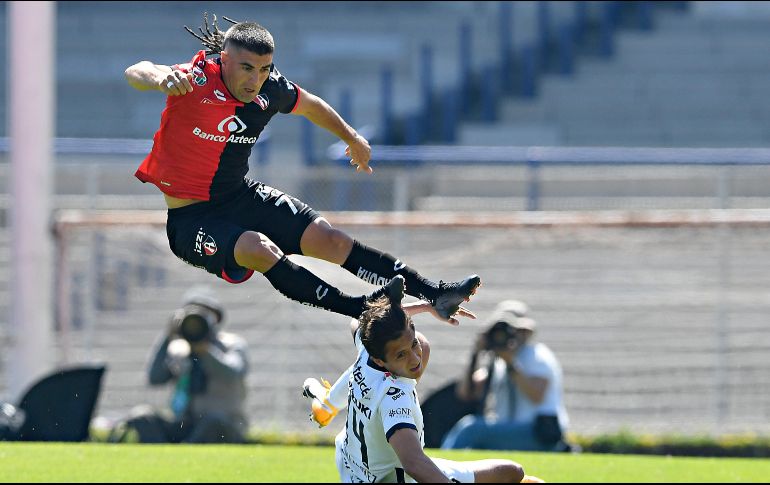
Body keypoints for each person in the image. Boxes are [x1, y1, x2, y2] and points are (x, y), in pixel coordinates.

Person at [123, 13, 480, 325]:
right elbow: (138, 70)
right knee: (259, 249)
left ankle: (434, 292)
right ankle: (358, 308)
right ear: (225, 60)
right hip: (192, 220)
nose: (255, 79)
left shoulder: (270, 90)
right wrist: (160, 79)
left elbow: (311, 105)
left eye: (264, 69)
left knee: (331, 239)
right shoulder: (196, 79)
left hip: (240, 196)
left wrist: (351, 136)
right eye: (247, 68)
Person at [302, 276, 544, 483]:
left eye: (414, 343)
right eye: (401, 354)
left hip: (352, 465)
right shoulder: (394, 397)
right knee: (512, 473)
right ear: (381, 361)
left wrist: (425, 306)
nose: (415, 358)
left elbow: (360, 320)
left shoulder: (368, 353)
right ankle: (327, 405)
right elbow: (415, 464)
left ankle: (327, 405)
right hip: (390, 477)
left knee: (511, 473)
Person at [110, 286, 250, 443]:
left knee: (212, 422)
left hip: (224, 424)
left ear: (216, 318)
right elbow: (154, 378)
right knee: (142, 416)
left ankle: (185, 453)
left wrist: (206, 352)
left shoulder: (231, 344)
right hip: (185, 423)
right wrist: (168, 336)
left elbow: (234, 373)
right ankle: (162, 459)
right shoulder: (179, 348)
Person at [439, 301, 570, 452]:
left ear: (526, 331)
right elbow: (466, 393)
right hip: (508, 432)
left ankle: (439, 470)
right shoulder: (498, 362)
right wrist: (476, 354)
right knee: (474, 434)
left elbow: (536, 395)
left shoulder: (537, 356)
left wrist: (511, 363)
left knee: (472, 428)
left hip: (539, 433)